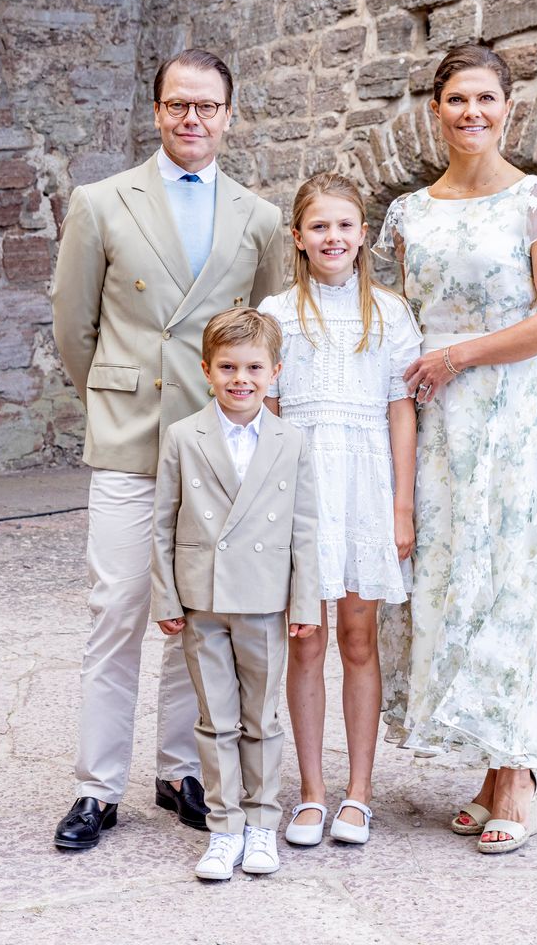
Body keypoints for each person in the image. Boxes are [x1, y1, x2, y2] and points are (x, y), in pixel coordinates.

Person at [51, 49, 284, 850]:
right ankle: (97, 787)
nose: (193, 119)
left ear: (229, 115)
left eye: (208, 107)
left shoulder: (258, 217)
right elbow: (73, 327)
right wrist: (117, 395)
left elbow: (261, 330)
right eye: (179, 105)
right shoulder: (102, 201)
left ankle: (180, 769)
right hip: (128, 438)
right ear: (157, 111)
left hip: (214, 448)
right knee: (116, 611)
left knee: (200, 618)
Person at [375, 44, 537, 854]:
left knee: (513, 586)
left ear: (509, 108)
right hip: (434, 425)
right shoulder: (409, 213)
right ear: (436, 110)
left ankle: (517, 772)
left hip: (513, 416)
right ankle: (487, 769)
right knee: (448, 583)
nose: (472, 113)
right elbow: (395, 321)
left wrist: (457, 355)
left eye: (486, 99)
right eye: (457, 99)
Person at [258, 173, 421, 847]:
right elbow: (264, 411)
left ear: (364, 236)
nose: (333, 237)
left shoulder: (390, 313)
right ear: (297, 237)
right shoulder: (275, 312)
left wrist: (402, 507)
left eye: (344, 226)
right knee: (306, 641)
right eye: (319, 227)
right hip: (301, 495)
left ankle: (358, 793)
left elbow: (400, 410)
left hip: (365, 489)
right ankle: (311, 793)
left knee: (358, 638)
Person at [150, 308, 321, 880]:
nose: (239, 378)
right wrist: (166, 598)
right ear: (206, 370)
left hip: (266, 599)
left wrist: (304, 603)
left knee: (262, 719)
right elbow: (163, 523)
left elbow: (304, 526)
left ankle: (261, 824)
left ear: (275, 371)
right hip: (203, 599)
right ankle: (223, 830)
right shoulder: (182, 436)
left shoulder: (291, 440)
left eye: (253, 366)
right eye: (227, 366)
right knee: (214, 719)